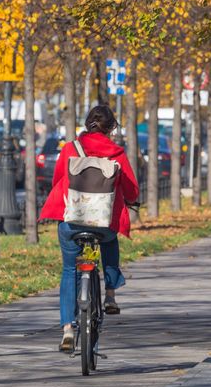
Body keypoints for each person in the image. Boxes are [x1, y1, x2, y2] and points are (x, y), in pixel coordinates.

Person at [40, 103, 139, 353]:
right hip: (102, 224)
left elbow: (57, 181)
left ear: (87, 124)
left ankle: (67, 330)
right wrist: (131, 201)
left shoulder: (70, 149)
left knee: (68, 270)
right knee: (109, 241)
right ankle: (110, 294)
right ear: (112, 128)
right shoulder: (116, 153)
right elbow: (131, 190)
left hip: (72, 221)